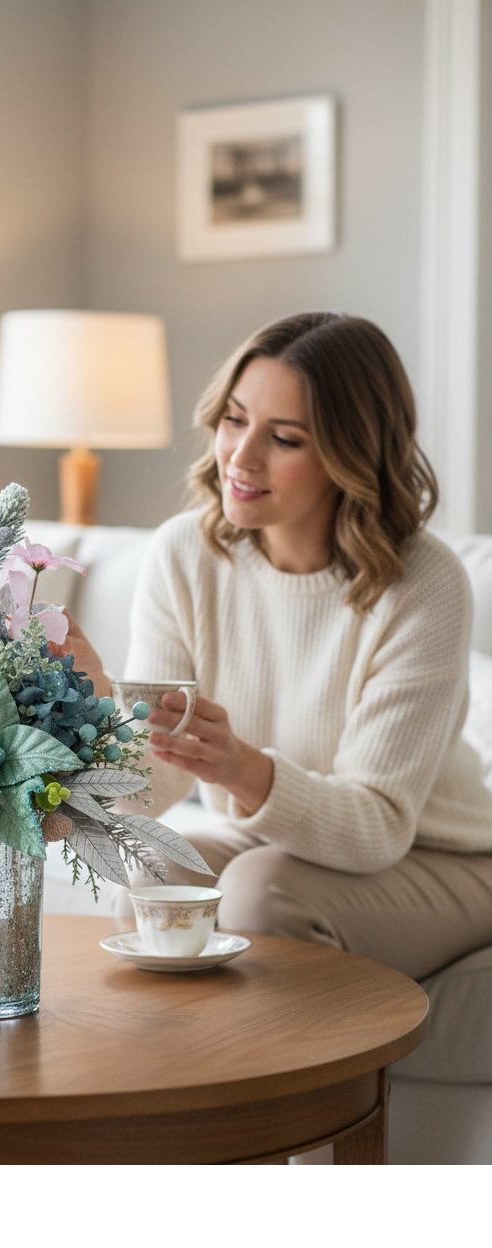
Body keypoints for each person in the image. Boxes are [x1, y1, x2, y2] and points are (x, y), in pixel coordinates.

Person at [63, 311, 492, 981]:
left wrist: (238, 766)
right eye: (235, 420)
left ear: (352, 456)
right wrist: (87, 729)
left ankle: (299, 1087)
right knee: (153, 868)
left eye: (284, 438)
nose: (241, 456)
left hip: (440, 852)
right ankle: (179, 1080)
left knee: (262, 893)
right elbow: (154, 782)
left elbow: (378, 825)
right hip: (280, 834)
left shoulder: (425, 583)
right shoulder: (185, 552)